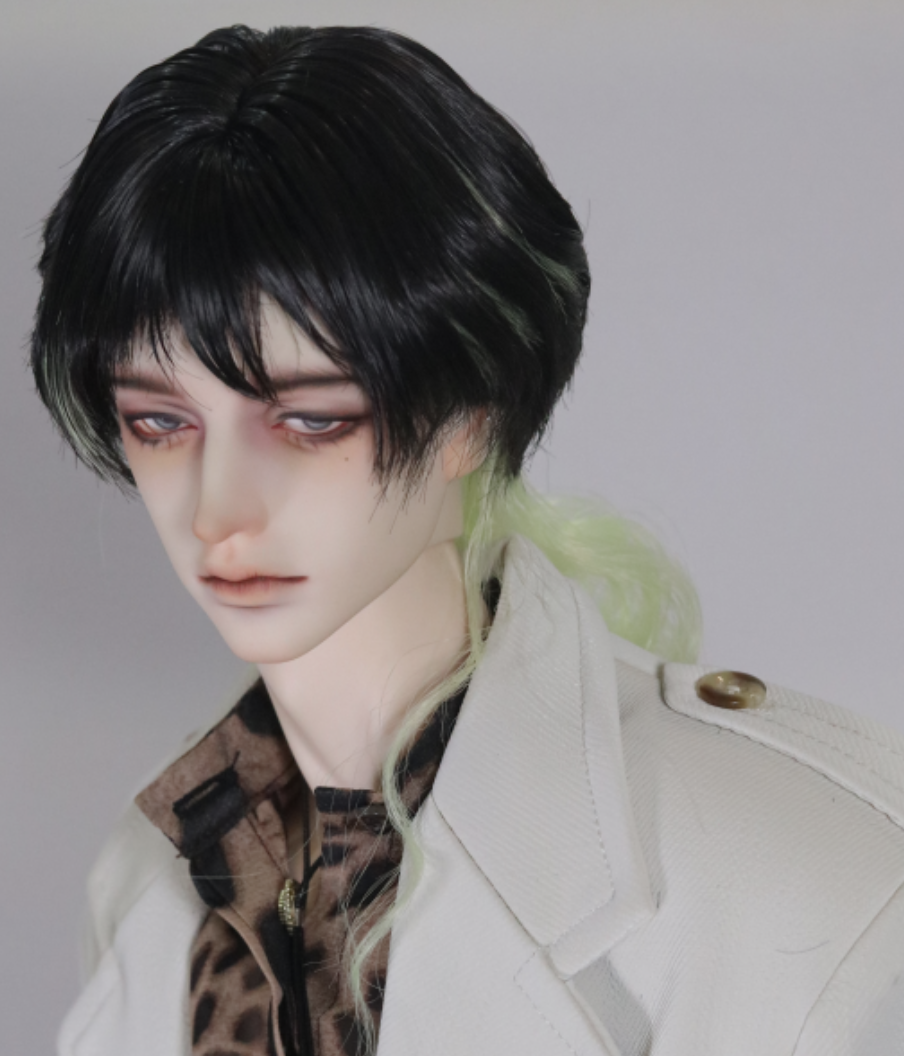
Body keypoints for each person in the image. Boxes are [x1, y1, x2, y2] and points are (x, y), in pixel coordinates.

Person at [31, 24, 904, 1056]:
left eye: (310, 421)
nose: (218, 509)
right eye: (159, 423)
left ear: (471, 415)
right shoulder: (152, 884)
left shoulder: (819, 887)